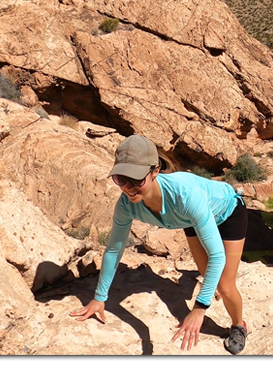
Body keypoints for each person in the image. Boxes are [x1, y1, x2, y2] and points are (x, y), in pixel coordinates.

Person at [70, 134, 248, 355]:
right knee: (206, 273)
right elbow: (114, 250)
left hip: (228, 212)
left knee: (224, 286)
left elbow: (217, 255)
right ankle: (198, 280)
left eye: (136, 180)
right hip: (190, 219)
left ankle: (239, 326)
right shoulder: (126, 205)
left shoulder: (184, 196)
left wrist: (200, 308)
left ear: (155, 171)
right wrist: (99, 298)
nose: (129, 188)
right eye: (121, 179)